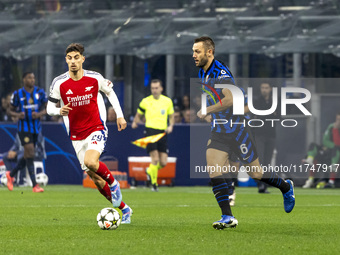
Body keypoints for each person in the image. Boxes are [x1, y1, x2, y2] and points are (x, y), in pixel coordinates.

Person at [193, 36, 295, 229]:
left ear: (209, 52)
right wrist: (210, 113)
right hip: (220, 131)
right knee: (213, 168)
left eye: (197, 51)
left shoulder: (221, 73)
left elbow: (231, 99)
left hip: (238, 130)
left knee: (256, 173)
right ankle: (227, 217)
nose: (194, 55)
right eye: (193, 51)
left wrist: (208, 110)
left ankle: (286, 186)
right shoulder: (202, 72)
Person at [46, 43, 132, 223]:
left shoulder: (94, 78)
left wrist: (120, 116)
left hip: (96, 128)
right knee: (95, 177)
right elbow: (49, 108)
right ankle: (125, 209)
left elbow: (110, 93)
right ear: (66, 60)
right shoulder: (59, 82)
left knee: (91, 161)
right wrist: (58, 111)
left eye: (76, 57)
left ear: (82, 59)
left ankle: (114, 184)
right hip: (76, 135)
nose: (73, 61)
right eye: (69, 58)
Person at [131, 79, 175, 192]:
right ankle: (154, 184)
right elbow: (139, 114)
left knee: (164, 162)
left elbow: (171, 116)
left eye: (156, 88)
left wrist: (171, 126)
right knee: (155, 158)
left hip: (162, 132)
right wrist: (135, 122)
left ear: (161, 89)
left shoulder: (167, 101)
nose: (154, 90)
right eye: (152, 88)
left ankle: (150, 170)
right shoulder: (145, 101)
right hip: (150, 131)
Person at [6, 72, 47, 192]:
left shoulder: (40, 92)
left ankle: (11, 175)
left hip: (36, 128)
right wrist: (18, 114)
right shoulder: (18, 94)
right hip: (23, 128)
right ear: (24, 80)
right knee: (30, 153)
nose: (32, 80)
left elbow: (48, 107)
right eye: (29, 78)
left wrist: (39, 114)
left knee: (28, 155)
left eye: (33, 78)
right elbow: (10, 111)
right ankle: (35, 185)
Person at [252, 82, 280, 193]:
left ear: (270, 89)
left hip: (271, 134)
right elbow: (255, 115)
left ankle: (265, 184)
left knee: (267, 161)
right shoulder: (256, 101)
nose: (264, 90)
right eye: (262, 87)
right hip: (259, 134)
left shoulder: (275, 101)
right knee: (260, 160)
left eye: (266, 88)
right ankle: (260, 184)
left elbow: (279, 116)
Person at [304, 113, 340, 189]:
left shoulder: (335, 128)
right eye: (337, 119)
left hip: (336, 153)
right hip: (327, 151)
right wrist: (330, 146)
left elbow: (338, 143)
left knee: (336, 149)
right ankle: (310, 180)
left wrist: (335, 130)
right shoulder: (331, 127)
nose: (338, 122)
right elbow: (325, 141)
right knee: (313, 146)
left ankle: (331, 182)